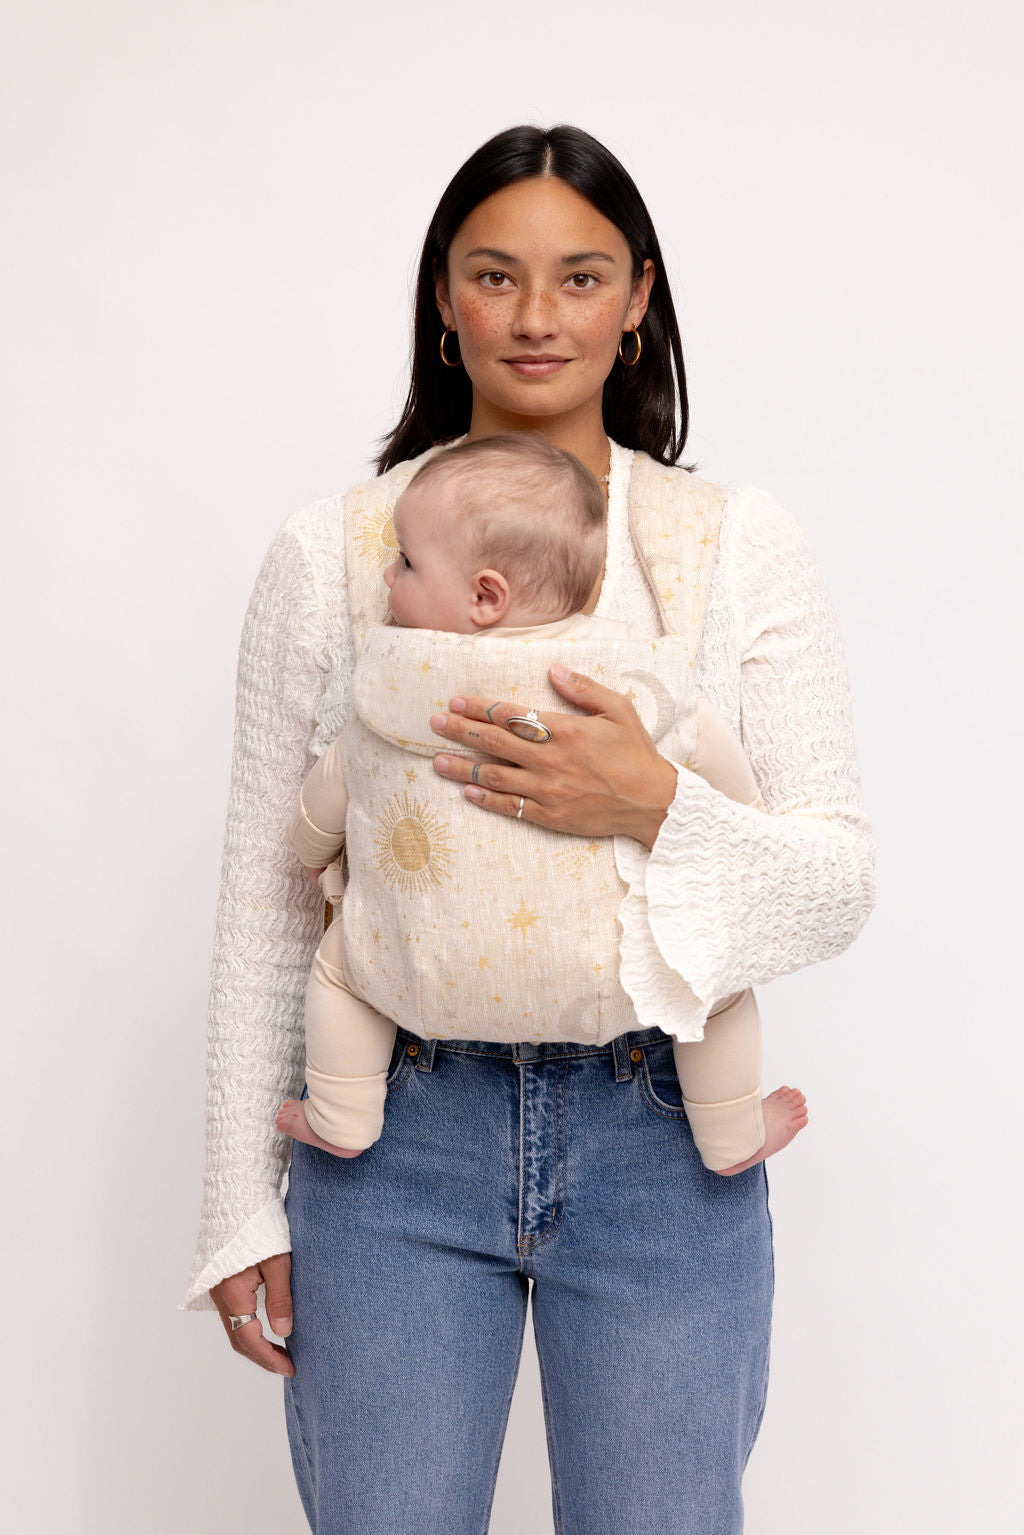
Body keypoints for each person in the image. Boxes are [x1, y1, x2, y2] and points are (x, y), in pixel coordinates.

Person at [183, 124, 876, 1534]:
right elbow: (271, 892)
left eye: (581, 276)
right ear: (444, 297)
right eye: (495, 275)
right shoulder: (337, 554)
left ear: (638, 298)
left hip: (661, 1138)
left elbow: (837, 881)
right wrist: (237, 1206)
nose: (536, 315)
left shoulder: (732, 547)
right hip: (391, 1139)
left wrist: (652, 803)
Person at [274, 431, 808, 1175]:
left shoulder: (392, 677)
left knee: (342, 971)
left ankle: (342, 1115)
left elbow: (331, 789)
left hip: (422, 976)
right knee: (711, 981)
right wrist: (742, 822)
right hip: (616, 983)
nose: (388, 576)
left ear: (485, 595)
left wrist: (312, 855)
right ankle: (731, 1133)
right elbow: (717, 764)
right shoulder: (629, 669)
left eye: (407, 562)